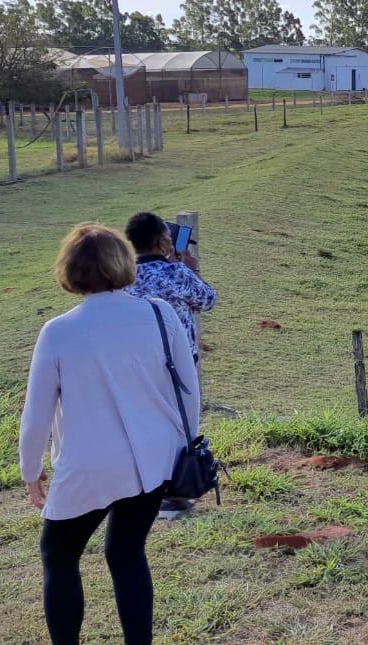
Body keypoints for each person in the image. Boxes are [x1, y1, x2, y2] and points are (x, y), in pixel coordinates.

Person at [20, 224, 199, 645]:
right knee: (127, 553)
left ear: (70, 270)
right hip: (152, 462)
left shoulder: (59, 331)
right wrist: (187, 447)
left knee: (59, 556)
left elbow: (37, 414)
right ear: (125, 263)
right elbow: (188, 390)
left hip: (88, 466)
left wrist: (31, 470)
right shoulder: (160, 314)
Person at [124, 211, 216, 520]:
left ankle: (143, 490)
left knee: (143, 423)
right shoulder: (176, 273)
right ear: (165, 242)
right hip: (178, 364)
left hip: (134, 364)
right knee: (180, 427)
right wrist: (191, 268)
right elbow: (207, 300)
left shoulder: (121, 276)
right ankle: (173, 495)